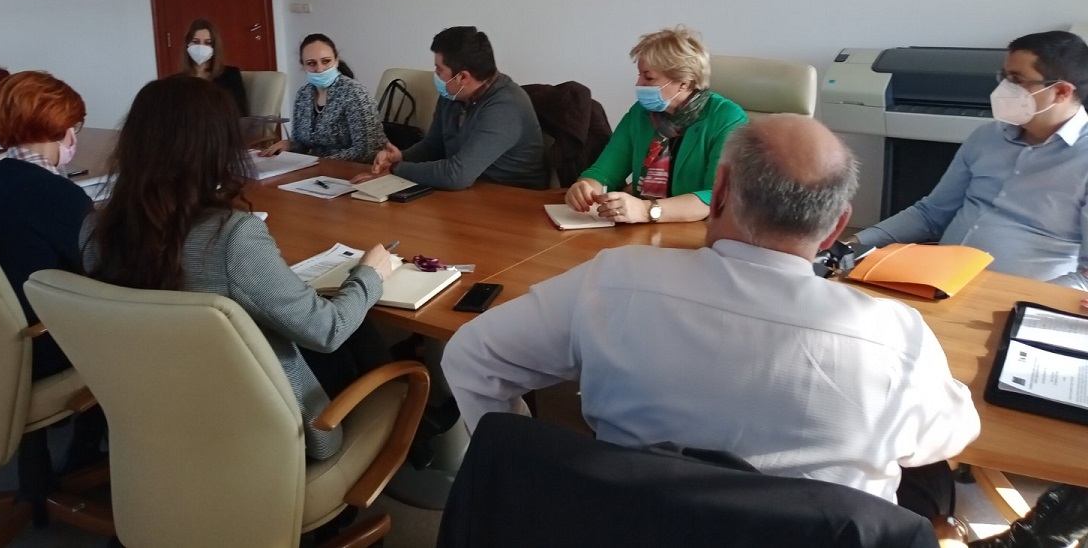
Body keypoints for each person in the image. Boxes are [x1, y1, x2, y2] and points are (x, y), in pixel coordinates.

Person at [443, 115, 979, 513]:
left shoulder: (613, 282)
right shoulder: (891, 338)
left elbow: (471, 356)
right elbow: (949, 437)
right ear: (837, 227)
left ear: (717, 194)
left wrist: (532, 472)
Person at [853, 30, 1088, 548]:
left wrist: (1010, 300)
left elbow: (1086, 274)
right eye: (1002, 75)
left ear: (1061, 91)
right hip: (937, 284)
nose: (1002, 88)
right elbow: (931, 212)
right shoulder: (987, 138)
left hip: (1014, 308)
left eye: (1017, 79)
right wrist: (854, 244)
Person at [81, 76, 396, 460]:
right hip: (264, 436)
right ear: (216, 149)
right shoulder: (231, 237)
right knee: (357, 332)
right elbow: (326, 330)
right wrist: (369, 275)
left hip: (153, 425)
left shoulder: (95, 230)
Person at [0, 71, 92, 379]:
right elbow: (97, 268)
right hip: (44, 340)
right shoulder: (59, 195)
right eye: (74, 126)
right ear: (61, 128)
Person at [566, 26, 747, 223]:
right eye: (639, 75)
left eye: (648, 77)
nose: (639, 83)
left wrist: (646, 210)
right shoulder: (640, 113)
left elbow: (716, 196)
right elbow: (604, 173)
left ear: (684, 82)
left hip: (698, 230)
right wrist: (585, 187)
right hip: (642, 228)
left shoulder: (727, 118)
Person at [365, 27, 547, 190]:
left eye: (439, 70)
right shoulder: (452, 95)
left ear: (463, 78)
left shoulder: (506, 107)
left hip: (512, 198)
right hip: (467, 191)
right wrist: (401, 157)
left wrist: (397, 169)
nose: (436, 76)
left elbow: (457, 175)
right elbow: (433, 146)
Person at [259, 33, 386, 162]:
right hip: (315, 167)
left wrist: (319, 163)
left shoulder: (355, 93)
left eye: (326, 61)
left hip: (351, 168)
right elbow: (301, 142)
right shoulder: (303, 95)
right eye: (311, 63)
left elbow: (367, 150)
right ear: (303, 66)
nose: (319, 69)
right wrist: (290, 144)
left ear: (336, 61)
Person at [181, 18, 248, 115]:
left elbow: (240, 112)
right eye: (196, 41)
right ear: (187, 44)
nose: (201, 47)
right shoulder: (177, 81)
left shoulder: (230, 75)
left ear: (214, 47)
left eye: (208, 43)